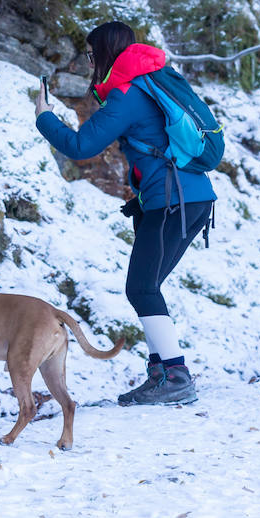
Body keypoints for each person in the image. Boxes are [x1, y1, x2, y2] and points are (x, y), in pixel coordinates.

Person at [34, 21, 215, 406]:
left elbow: (80, 145)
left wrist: (44, 116)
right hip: (184, 198)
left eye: (89, 54)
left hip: (175, 201)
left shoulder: (128, 94)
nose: (88, 62)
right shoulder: (154, 79)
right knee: (146, 287)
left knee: (142, 288)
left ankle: (176, 376)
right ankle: (162, 373)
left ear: (103, 52)